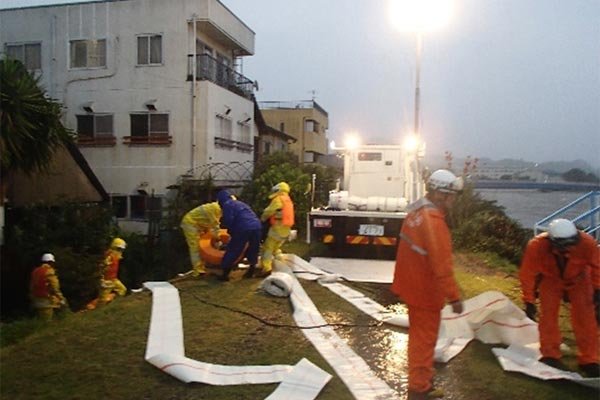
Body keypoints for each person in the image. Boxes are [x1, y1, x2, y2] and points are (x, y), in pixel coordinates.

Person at [390, 169, 465, 400]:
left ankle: (421, 382)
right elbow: (441, 266)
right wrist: (454, 297)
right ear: (441, 194)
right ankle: (419, 389)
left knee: (419, 339)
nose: (454, 200)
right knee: (424, 342)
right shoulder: (434, 222)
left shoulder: (415, 213)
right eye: (452, 195)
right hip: (425, 292)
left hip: (412, 286)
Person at [519, 218, 600, 377]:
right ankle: (550, 354)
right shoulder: (537, 246)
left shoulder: (587, 243)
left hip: (580, 279)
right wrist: (528, 300)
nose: (570, 247)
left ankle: (590, 359)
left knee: (586, 319)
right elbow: (527, 273)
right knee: (547, 317)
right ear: (553, 241)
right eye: (565, 244)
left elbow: (597, 266)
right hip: (551, 279)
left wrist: (598, 290)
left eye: (572, 242)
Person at [216, 190, 261, 281]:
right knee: (253, 248)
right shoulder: (241, 203)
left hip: (243, 227)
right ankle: (251, 271)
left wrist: (230, 230)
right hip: (257, 226)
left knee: (233, 249)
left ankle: (225, 275)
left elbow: (229, 220)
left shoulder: (227, 205)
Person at [255, 182, 295, 278]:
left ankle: (266, 268)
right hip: (286, 229)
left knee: (267, 249)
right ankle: (280, 263)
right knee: (276, 248)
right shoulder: (288, 200)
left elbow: (269, 211)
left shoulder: (278, 199)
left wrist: (262, 218)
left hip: (277, 228)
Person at [180, 201, 222, 276]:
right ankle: (198, 271)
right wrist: (218, 237)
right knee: (195, 247)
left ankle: (202, 267)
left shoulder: (216, 208)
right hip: (190, 224)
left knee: (203, 245)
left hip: (199, 224)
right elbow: (215, 224)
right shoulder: (215, 209)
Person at [30, 253, 67, 321]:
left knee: (40, 319)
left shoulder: (35, 271)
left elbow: (32, 286)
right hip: (46, 299)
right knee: (47, 322)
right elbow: (55, 287)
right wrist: (61, 298)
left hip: (36, 298)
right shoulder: (49, 271)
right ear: (51, 262)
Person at [99, 237, 128, 304]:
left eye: (121, 250)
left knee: (122, 290)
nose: (120, 251)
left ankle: (112, 301)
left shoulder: (116, 257)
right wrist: (101, 280)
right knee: (102, 301)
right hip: (106, 282)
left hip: (114, 280)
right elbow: (101, 268)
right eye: (118, 249)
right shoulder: (109, 257)